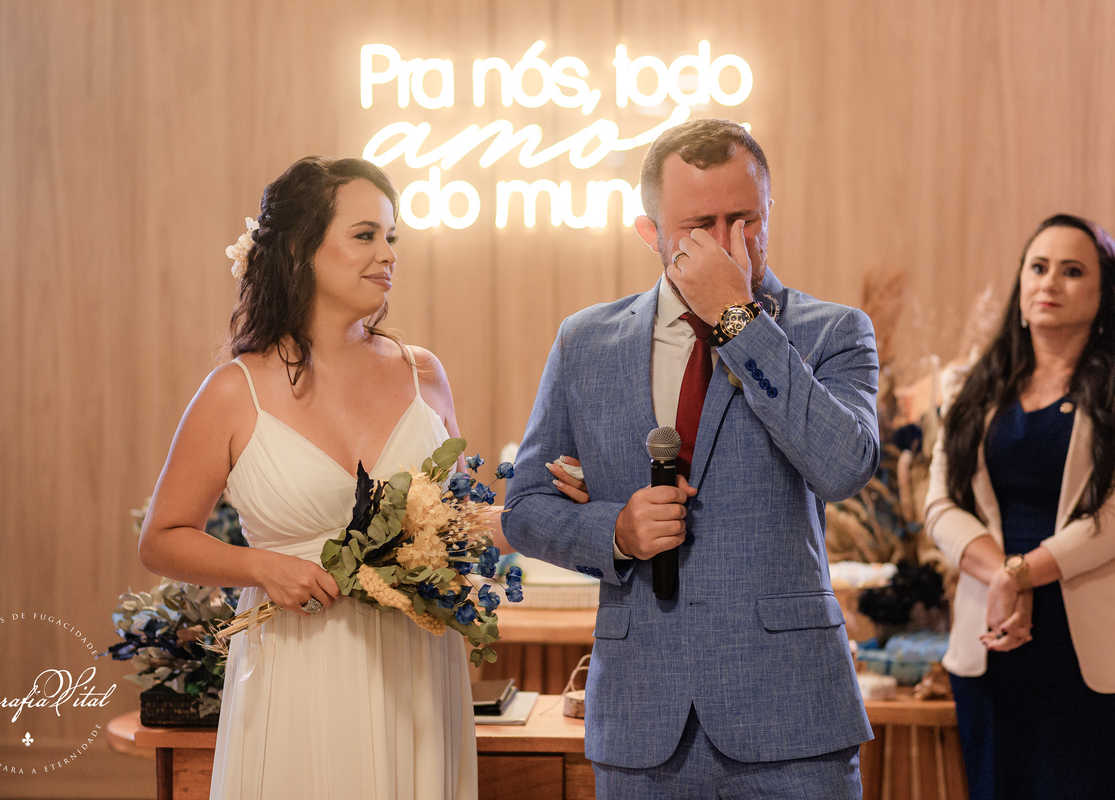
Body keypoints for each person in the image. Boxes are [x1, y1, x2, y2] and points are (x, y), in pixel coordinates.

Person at [503, 119, 880, 799]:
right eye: (701, 225)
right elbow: (526, 507)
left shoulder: (833, 332)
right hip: (644, 725)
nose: (732, 243)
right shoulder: (585, 342)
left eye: (747, 218)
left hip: (792, 725)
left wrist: (738, 320)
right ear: (651, 233)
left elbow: (844, 464)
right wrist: (614, 531)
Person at [138, 156, 484, 799]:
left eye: (392, 237)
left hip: (415, 667)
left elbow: (460, 522)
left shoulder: (423, 374)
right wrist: (264, 567)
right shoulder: (232, 392)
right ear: (301, 250)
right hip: (299, 667)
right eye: (364, 235)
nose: (386, 253)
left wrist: (542, 510)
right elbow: (162, 537)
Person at [924, 214, 1115, 800]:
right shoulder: (969, 386)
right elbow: (941, 505)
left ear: (1104, 291)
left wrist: (1021, 573)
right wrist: (1003, 578)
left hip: (1089, 644)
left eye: (1072, 271)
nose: (1049, 283)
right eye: (1038, 267)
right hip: (993, 635)